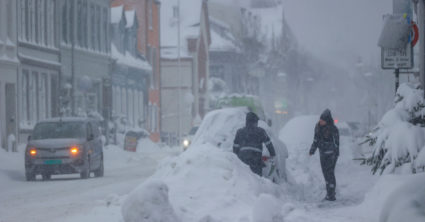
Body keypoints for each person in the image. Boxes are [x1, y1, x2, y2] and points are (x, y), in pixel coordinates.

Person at [309, 109, 340, 201]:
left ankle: (331, 195)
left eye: (323, 120)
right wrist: (312, 150)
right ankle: (330, 191)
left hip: (331, 154)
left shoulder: (333, 129)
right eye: (320, 119)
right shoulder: (317, 127)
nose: (321, 121)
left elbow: (336, 143)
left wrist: (335, 153)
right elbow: (315, 139)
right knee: (325, 173)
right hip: (322, 154)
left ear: (327, 120)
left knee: (329, 173)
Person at [233, 112, 276, 176]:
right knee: (257, 180)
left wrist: (236, 158)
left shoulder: (240, 132)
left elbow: (235, 148)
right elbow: (268, 144)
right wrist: (273, 154)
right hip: (256, 160)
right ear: (255, 122)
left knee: (243, 177)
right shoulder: (261, 131)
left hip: (243, 159)